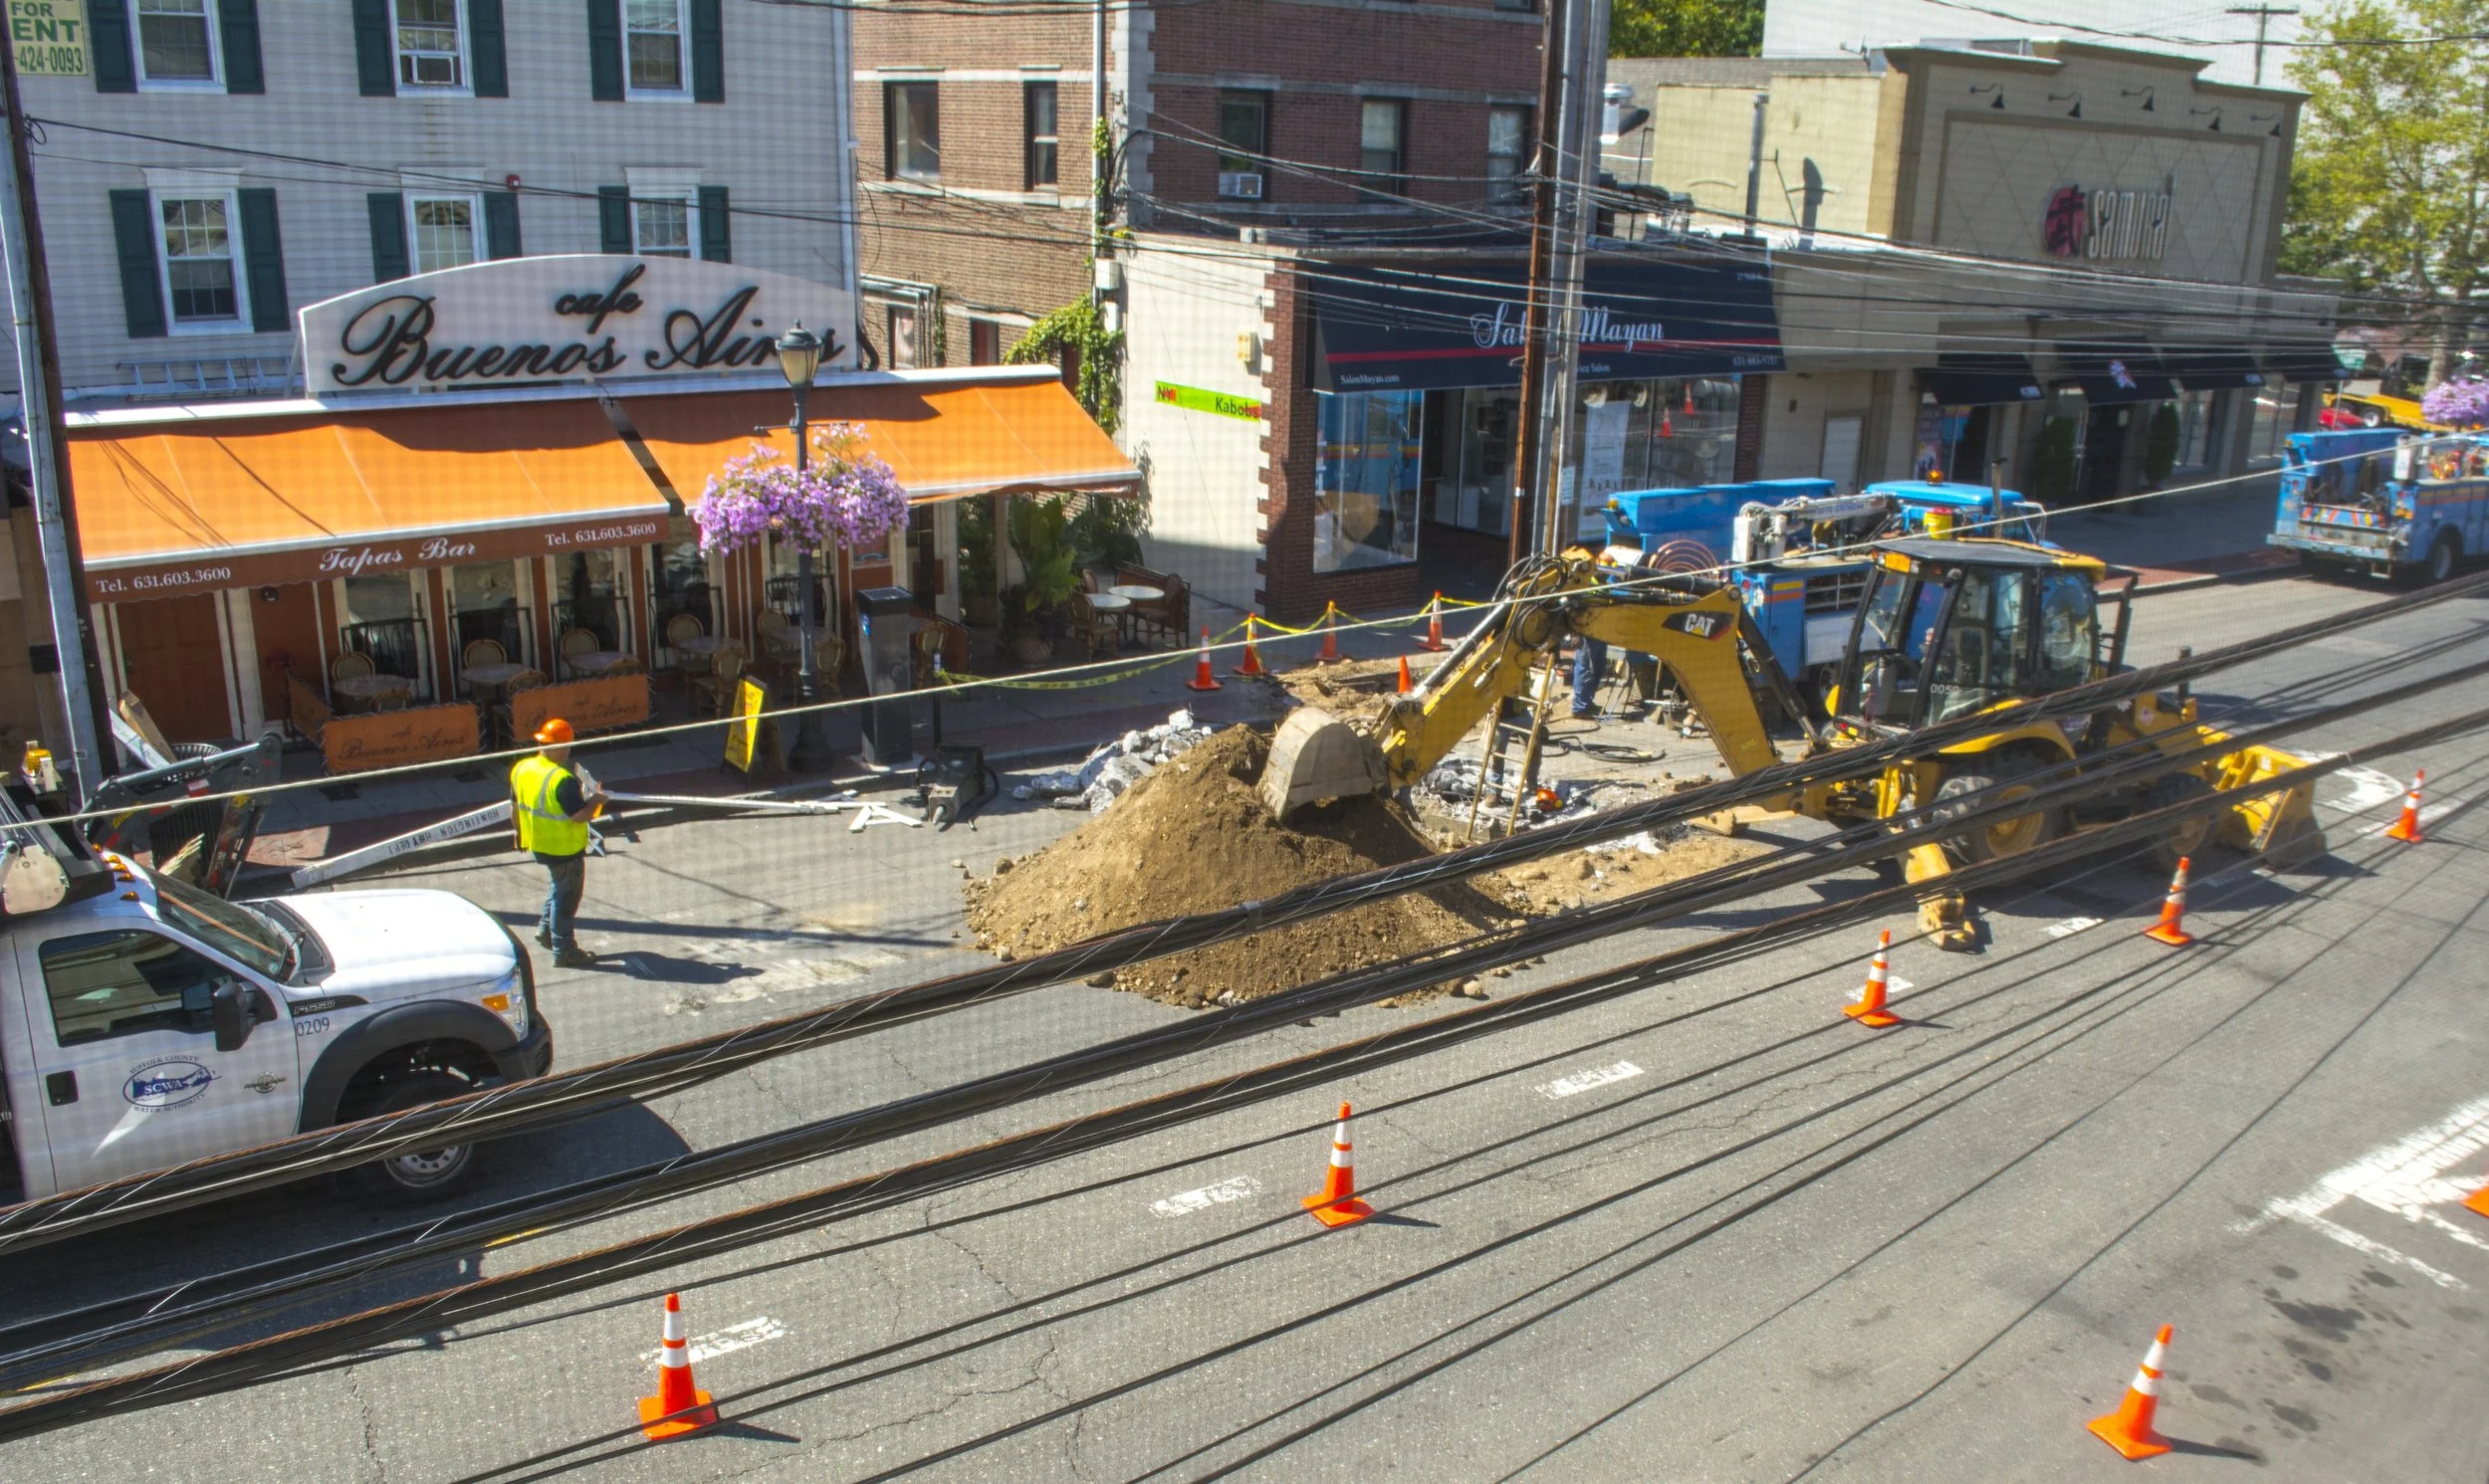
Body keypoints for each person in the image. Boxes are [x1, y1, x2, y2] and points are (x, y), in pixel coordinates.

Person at [511, 717, 604, 967]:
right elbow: (579, 816)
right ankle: (564, 950)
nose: (568, 752)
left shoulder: (522, 768)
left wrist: (518, 834)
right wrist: (596, 801)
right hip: (564, 848)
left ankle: (545, 931)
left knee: (558, 886)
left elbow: (515, 806)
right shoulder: (562, 780)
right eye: (567, 746)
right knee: (567, 897)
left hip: (538, 843)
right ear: (561, 747)